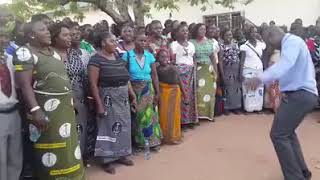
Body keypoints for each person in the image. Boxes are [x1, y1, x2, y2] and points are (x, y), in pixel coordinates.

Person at [14, 20, 85, 180]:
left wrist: (72, 100)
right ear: (32, 35)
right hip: (45, 111)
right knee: (50, 149)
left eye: (47, 29)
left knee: (69, 147)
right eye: (42, 29)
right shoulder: (25, 53)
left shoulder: (52, 52)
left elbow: (62, 79)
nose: (47, 32)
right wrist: (35, 110)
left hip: (64, 111)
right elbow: (24, 85)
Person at [245, 26, 318, 180]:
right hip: (299, 94)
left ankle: (295, 177)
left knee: (279, 135)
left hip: (301, 94)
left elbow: (285, 65)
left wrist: (260, 78)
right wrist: (286, 92)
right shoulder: (292, 43)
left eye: (268, 42)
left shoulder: (291, 42)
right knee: (287, 133)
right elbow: (292, 71)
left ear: (272, 36)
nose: (270, 46)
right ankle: (302, 172)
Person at [88, 31, 135, 174]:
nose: (115, 43)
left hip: (123, 98)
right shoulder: (95, 60)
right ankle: (106, 160)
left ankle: (121, 154)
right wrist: (99, 105)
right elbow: (92, 84)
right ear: (103, 43)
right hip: (107, 98)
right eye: (112, 41)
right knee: (107, 127)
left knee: (123, 126)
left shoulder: (119, 57)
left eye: (116, 41)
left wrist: (132, 95)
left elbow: (126, 78)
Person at [122, 32, 162, 150]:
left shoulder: (150, 56)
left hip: (148, 88)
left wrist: (157, 92)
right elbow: (125, 75)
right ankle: (140, 142)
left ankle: (153, 141)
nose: (143, 43)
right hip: (134, 88)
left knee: (151, 115)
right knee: (138, 116)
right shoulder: (127, 56)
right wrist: (131, 93)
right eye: (141, 41)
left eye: (145, 41)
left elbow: (154, 75)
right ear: (135, 42)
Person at [0, 8, 23, 180]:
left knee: (15, 155)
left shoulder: (11, 59)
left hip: (14, 112)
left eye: (5, 36)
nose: (2, 40)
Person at [170, 24, 198, 127]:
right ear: (177, 33)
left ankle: (190, 119)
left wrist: (194, 70)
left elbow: (193, 59)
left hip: (190, 72)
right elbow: (172, 60)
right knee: (181, 96)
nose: (185, 32)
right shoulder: (174, 45)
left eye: (186, 30)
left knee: (191, 96)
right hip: (179, 73)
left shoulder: (191, 45)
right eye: (182, 30)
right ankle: (182, 121)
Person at [190, 23, 218, 122]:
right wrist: (194, 71)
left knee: (210, 92)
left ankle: (210, 115)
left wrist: (215, 71)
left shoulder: (209, 42)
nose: (203, 31)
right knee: (199, 92)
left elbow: (213, 57)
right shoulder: (191, 43)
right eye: (201, 29)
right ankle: (198, 115)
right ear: (196, 31)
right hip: (198, 69)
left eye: (204, 29)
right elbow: (192, 58)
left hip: (209, 69)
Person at [156, 49, 184, 144]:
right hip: (163, 92)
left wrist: (184, 93)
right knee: (163, 114)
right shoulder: (157, 69)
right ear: (158, 58)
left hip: (174, 92)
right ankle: (164, 136)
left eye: (166, 57)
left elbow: (179, 81)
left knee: (174, 115)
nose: (165, 59)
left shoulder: (173, 68)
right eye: (162, 57)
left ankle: (173, 136)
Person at [240, 26, 266, 113]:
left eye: (255, 32)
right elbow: (242, 60)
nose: (254, 34)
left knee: (259, 89)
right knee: (248, 89)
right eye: (252, 32)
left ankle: (258, 108)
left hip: (259, 69)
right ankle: (248, 108)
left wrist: (261, 39)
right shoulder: (244, 46)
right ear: (248, 34)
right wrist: (240, 73)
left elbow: (264, 54)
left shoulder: (261, 44)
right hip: (248, 69)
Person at [219, 28, 242, 115]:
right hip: (227, 68)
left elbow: (238, 57)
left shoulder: (235, 44)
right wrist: (222, 74)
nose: (229, 37)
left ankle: (236, 107)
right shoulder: (221, 46)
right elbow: (220, 61)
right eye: (227, 35)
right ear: (223, 37)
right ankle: (227, 108)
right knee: (227, 89)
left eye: (230, 35)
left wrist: (240, 70)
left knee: (236, 89)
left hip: (236, 68)